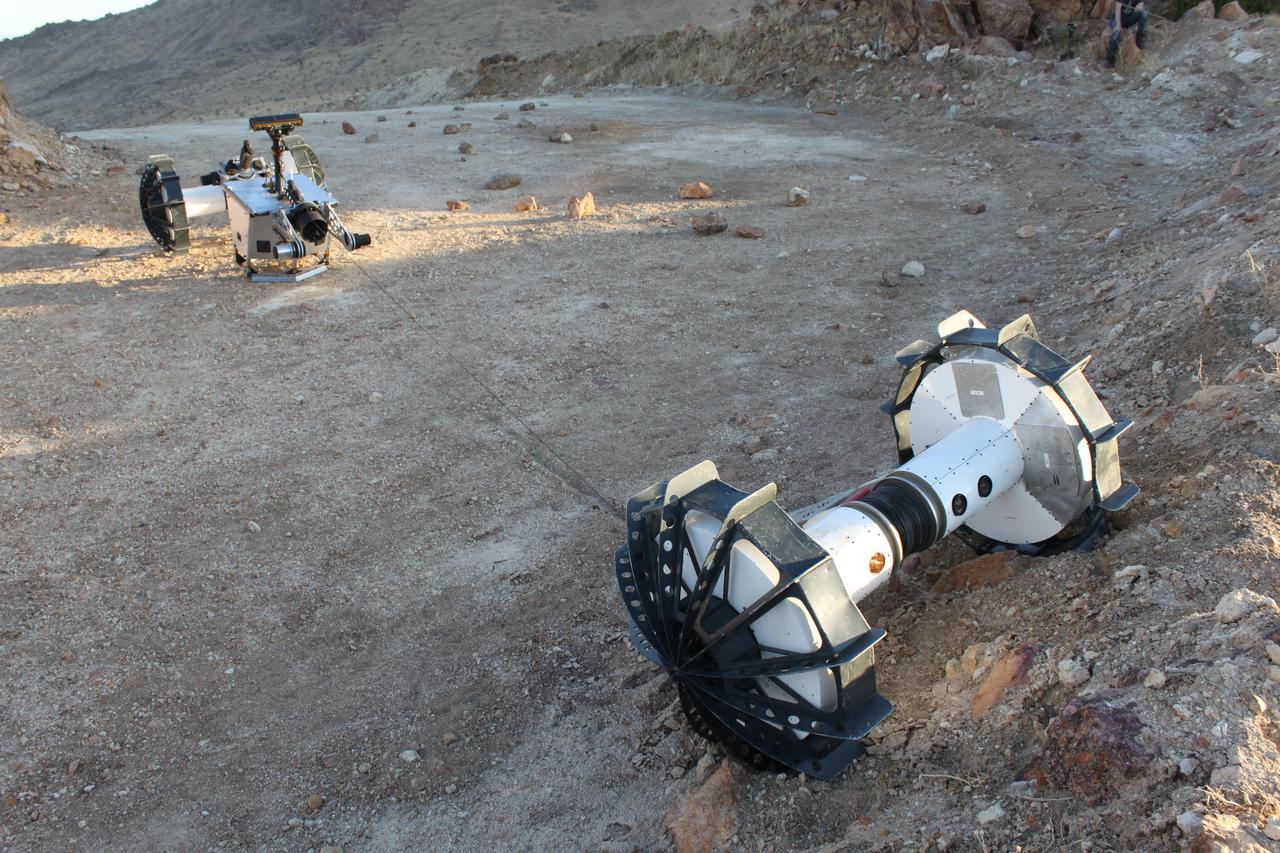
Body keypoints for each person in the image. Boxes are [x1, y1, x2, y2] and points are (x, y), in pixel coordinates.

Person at [1108, 0, 1148, 66]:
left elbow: (1141, 4)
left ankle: (1139, 38)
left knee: (1144, 14)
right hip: (1118, 18)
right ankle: (1111, 60)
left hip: (1129, 18)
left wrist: (1139, 7)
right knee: (1116, 34)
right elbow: (1117, 10)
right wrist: (1118, 25)